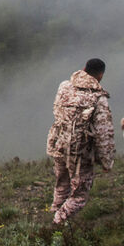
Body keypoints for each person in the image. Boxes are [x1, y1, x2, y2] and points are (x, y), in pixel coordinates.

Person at [46, 58, 115, 225]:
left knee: (62, 183)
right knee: (79, 195)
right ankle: (57, 224)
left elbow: (57, 111)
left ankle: (55, 211)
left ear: (84, 68)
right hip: (79, 152)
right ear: (100, 75)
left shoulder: (64, 86)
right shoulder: (98, 98)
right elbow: (104, 133)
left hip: (58, 145)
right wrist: (107, 162)